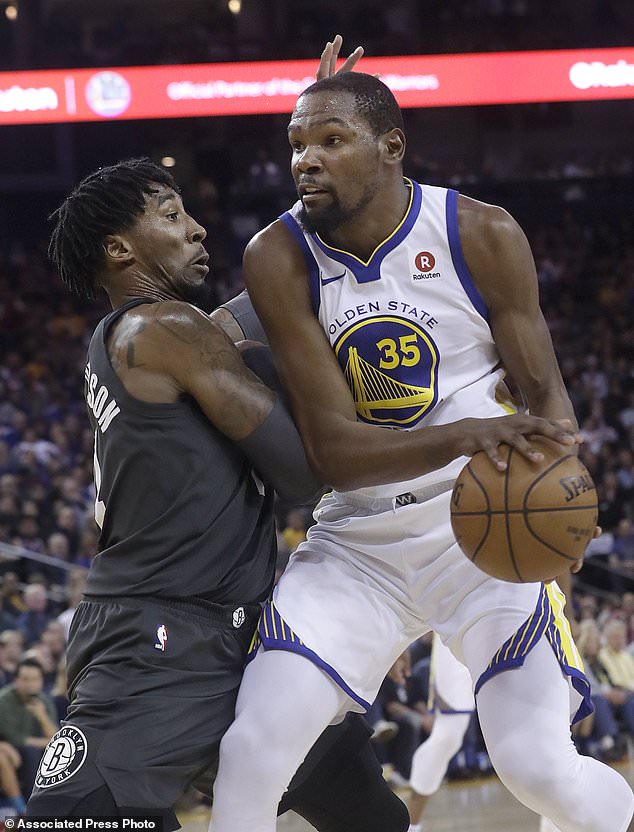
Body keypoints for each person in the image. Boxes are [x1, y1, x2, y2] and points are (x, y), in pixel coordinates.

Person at [210, 69, 634, 832]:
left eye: (332, 140)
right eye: (296, 143)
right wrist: (471, 432)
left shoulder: (481, 231)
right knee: (250, 756)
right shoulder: (278, 256)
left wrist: (564, 490)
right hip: (358, 544)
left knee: (538, 769)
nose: (306, 158)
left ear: (392, 146)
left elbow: (548, 404)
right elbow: (335, 453)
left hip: (483, 530)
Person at [407, 633, 475, 832]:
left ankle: (555, 825)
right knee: (448, 737)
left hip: (525, 620)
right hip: (458, 627)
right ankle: (410, 823)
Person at [0, 657, 58, 812]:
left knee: (47, 753)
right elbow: (13, 737)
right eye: (25, 679)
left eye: (35, 679)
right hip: (10, 751)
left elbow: (57, 740)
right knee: (29, 752)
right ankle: (26, 809)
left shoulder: (44, 701)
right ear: (16, 680)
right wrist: (46, 742)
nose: (30, 684)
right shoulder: (4, 700)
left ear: (41, 681)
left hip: (32, 750)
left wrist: (42, 717)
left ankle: (49, 805)